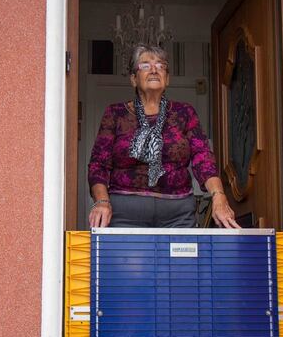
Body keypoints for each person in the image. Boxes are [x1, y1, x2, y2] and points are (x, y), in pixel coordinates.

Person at [88, 44, 240, 229]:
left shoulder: (184, 112)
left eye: (160, 66)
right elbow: (99, 164)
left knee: (182, 258)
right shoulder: (115, 113)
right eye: (145, 65)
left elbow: (203, 157)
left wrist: (218, 195)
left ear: (167, 79)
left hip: (178, 214)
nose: (154, 69)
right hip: (125, 213)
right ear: (133, 79)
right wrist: (101, 202)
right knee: (126, 258)